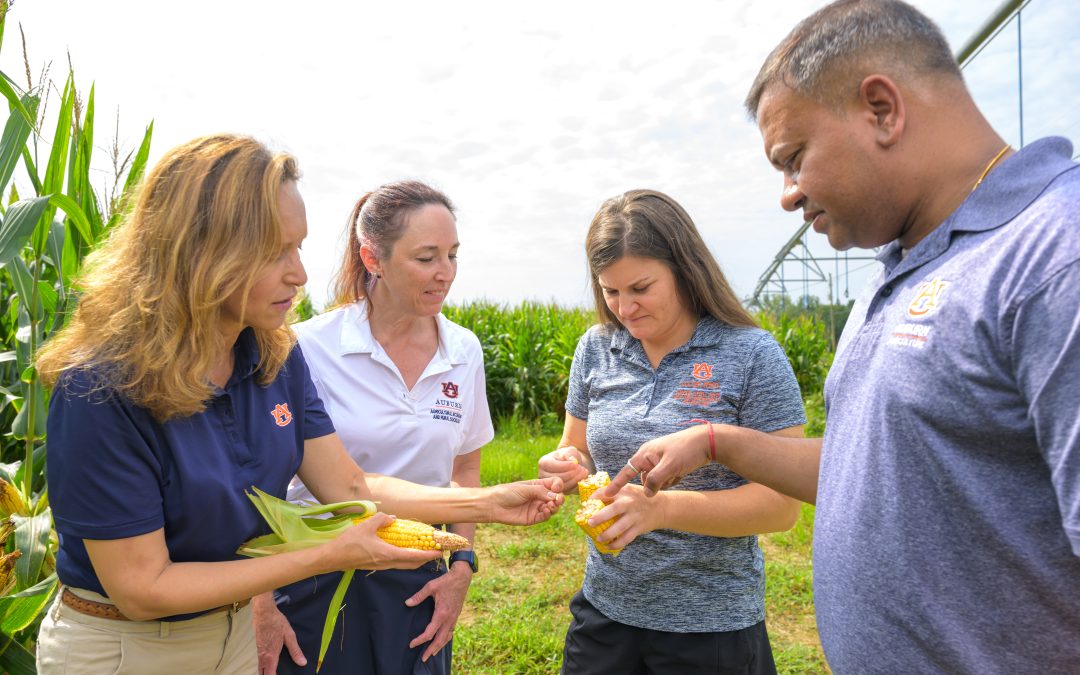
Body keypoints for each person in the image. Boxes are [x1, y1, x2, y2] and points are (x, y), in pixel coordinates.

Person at [598, 1, 1080, 673]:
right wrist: (716, 440)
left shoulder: (1054, 256)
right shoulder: (901, 269)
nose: (788, 195)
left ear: (881, 108)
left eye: (793, 159)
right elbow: (869, 467)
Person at [34, 134, 563, 675]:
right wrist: (329, 557)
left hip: (232, 634)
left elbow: (351, 488)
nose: (300, 275)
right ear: (199, 251)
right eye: (273, 253)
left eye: (299, 247)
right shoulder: (100, 388)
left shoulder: (274, 358)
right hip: (129, 649)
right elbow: (143, 589)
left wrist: (487, 503)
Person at [537, 189, 804, 674]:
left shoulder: (752, 355)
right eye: (609, 291)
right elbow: (578, 450)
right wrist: (568, 465)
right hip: (605, 611)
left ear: (685, 269)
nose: (624, 307)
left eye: (641, 288)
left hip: (711, 626)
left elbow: (782, 505)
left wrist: (660, 510)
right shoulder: (596, 349)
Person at [255, 181, 492, 675]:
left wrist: (461, 567)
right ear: (373, 257)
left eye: (452, 255)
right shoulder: (305, 347)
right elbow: (259, 483)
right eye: (426, 258)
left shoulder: (464, 351)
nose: (445, 273)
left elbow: (464, 467)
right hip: (313, 577)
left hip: (415, 577)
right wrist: (260, 600)